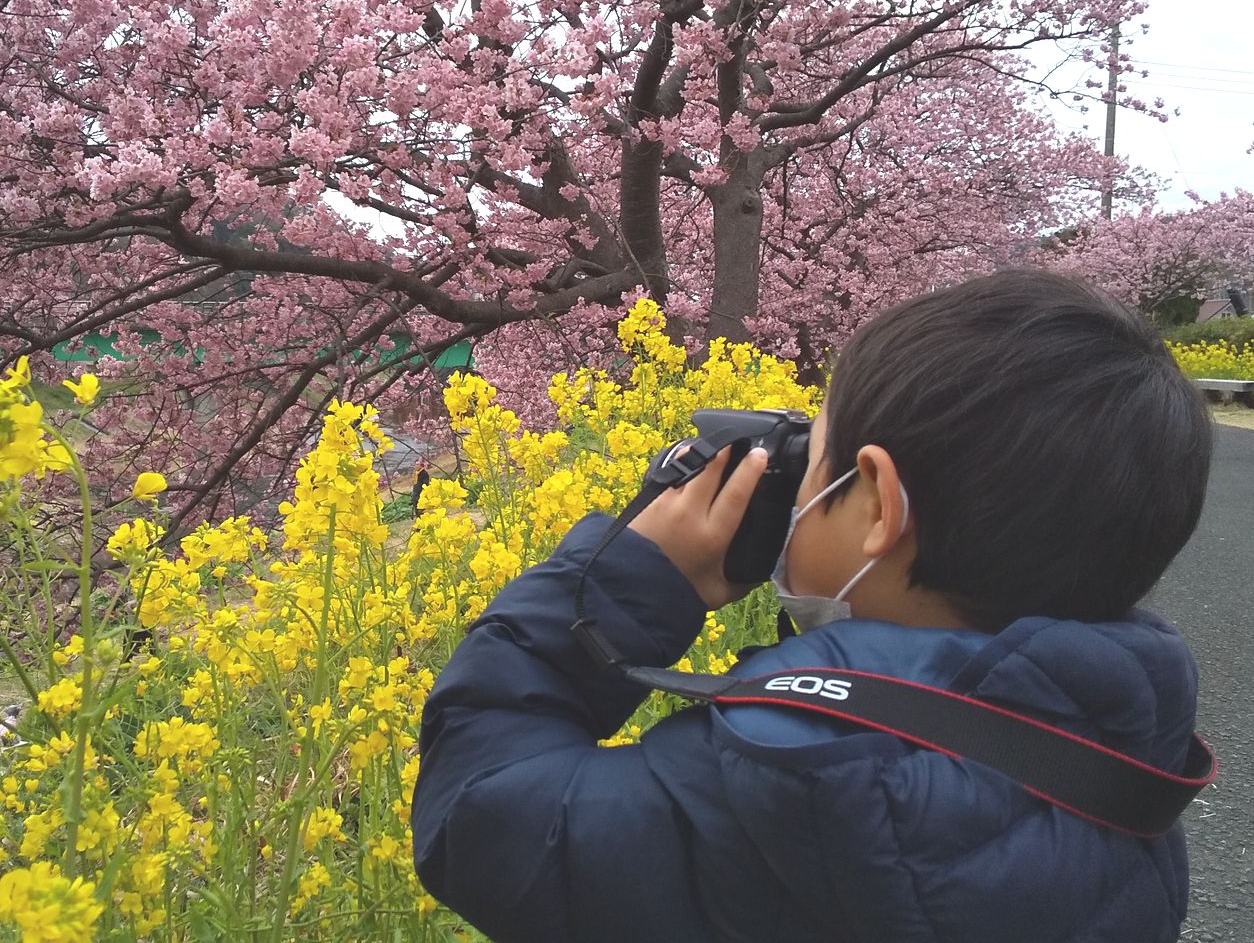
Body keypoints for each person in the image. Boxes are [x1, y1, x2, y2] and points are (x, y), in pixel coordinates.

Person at [411, 270, 1212, 942]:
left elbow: (478, 817)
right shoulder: (1118, 749)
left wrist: (630, 581)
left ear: (879, 505)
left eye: (812, 458)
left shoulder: (808, 770)